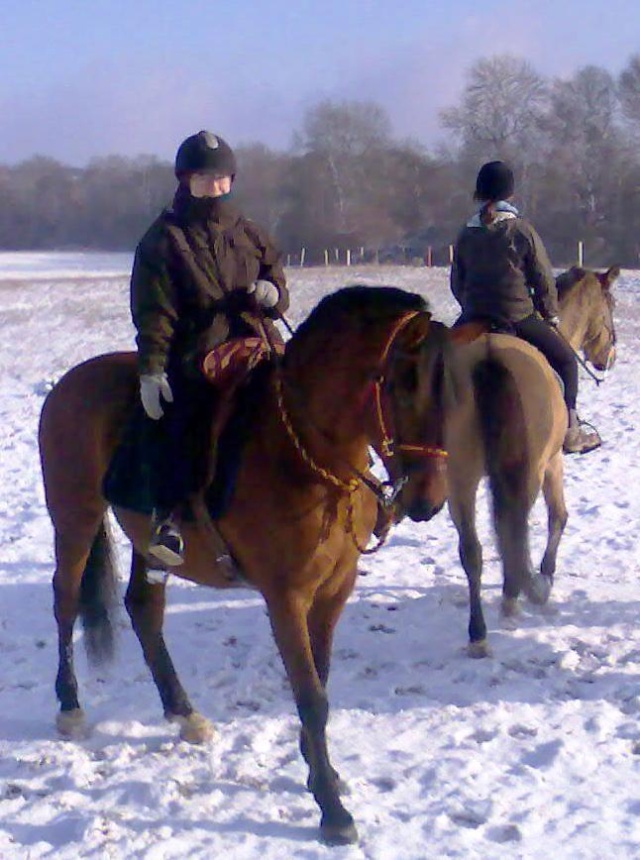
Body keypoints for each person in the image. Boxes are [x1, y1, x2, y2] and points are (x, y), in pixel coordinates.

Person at [130, 130, 289, 566]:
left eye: (221, 179)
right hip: (196, 348)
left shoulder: (250, 232)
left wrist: (272, 294)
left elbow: (277, 279)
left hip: (257, 341)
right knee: (185, 416)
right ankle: (169, 519)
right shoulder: (163, 239)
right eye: (203, 178)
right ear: (185, 180)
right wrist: (152, 368)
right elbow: (154, 311)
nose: (214, 187)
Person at [450, 159, 601, 456]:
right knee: (567, 362)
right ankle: (571, 431)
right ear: (511, 194)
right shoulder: (521, 230)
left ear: (479, 193)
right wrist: (550, 313)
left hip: (473, 318)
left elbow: (457, 281)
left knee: (440, 360)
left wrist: (471, 309)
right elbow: (543, 277)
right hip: (517, 316)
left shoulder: (466, 233)